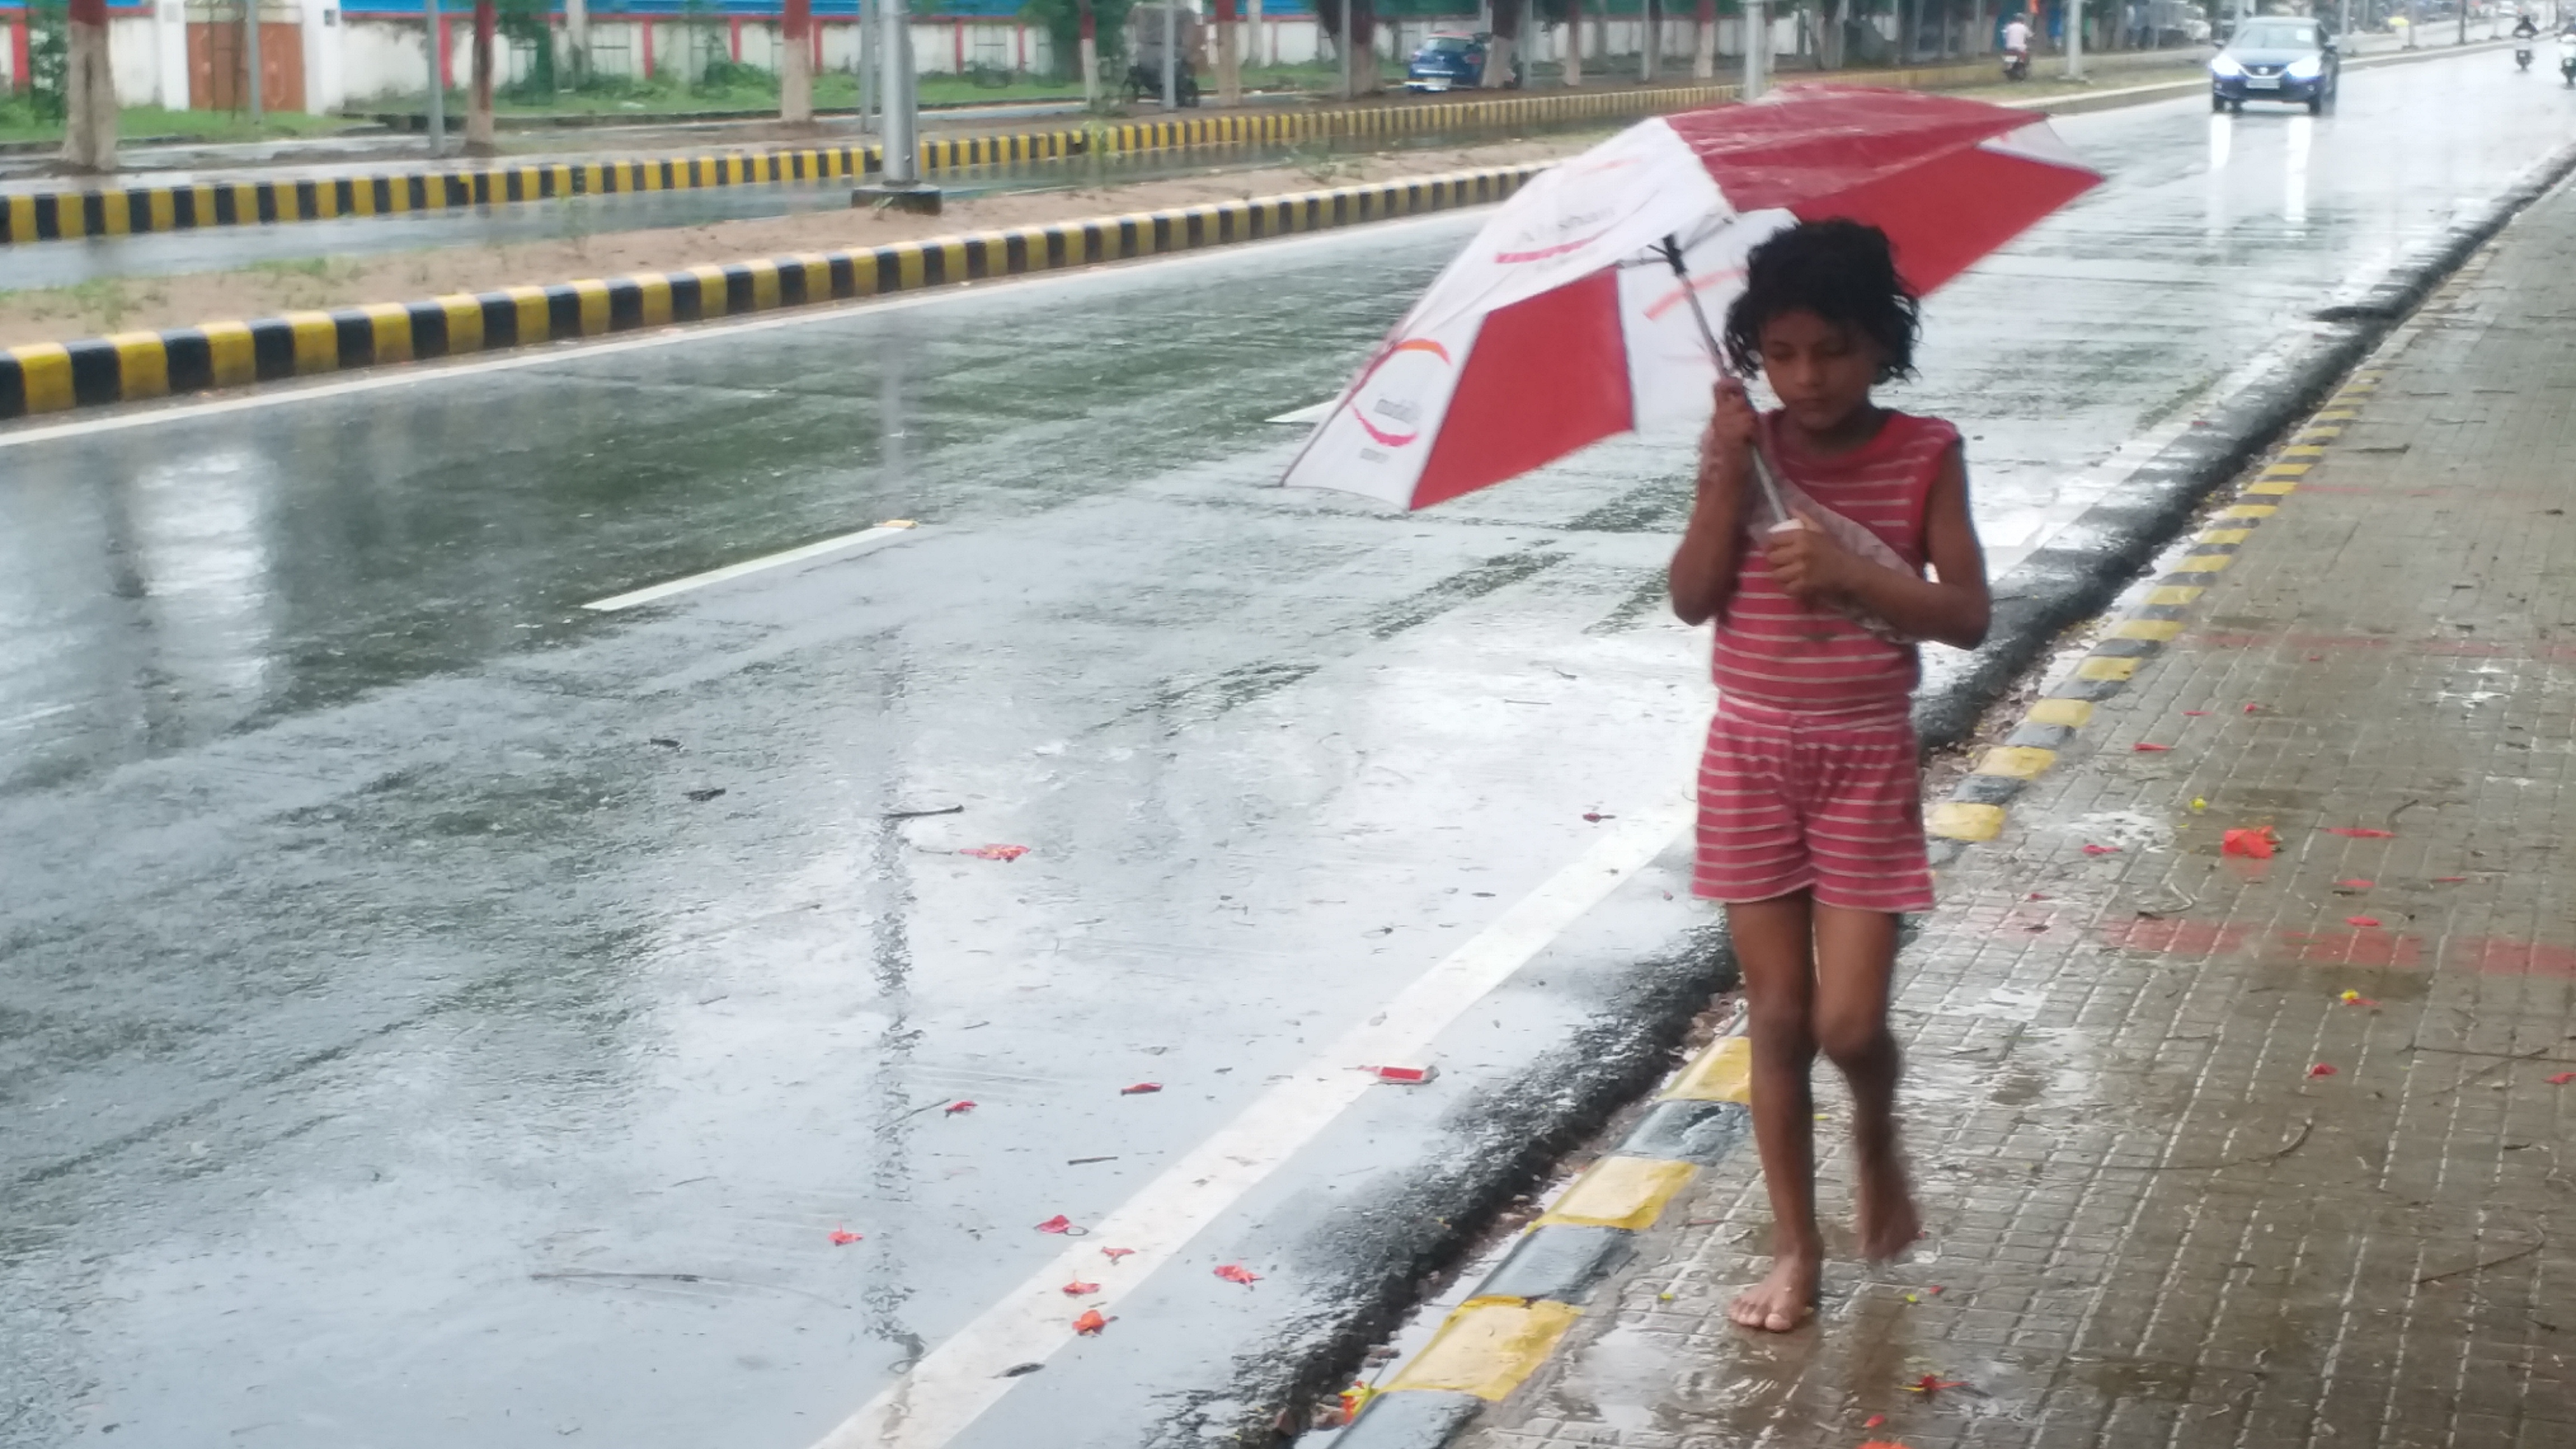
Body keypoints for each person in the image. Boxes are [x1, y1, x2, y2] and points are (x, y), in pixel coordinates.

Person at [1665, 219, 1992, 1335]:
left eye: (1835, 351)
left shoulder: (1926, 452)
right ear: (1755, 349)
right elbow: (1693, 598)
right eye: (1784, 353)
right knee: (1780, 1017)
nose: (1807, 378)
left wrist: (1852, 571)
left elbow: (1967, 615)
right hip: (1750, 757)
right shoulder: (1746, 449)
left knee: (1850, 1027)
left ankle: (1877, 1134)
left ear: (1882, 347)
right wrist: (1722, 474)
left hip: (1864, 758)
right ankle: (1795, 1252)